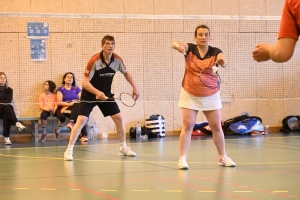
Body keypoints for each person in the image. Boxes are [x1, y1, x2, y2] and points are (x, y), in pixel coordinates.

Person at [64, 35, 139, 161]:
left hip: (106, 95)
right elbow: (85, 82)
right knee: (81, 120)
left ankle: (123, 147)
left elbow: (126, 73)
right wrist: (97, 92)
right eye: (108, 44)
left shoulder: (117, 60)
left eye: (112, 44)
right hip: (89, 94)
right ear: (102, 46)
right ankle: (69, 150)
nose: (110, 46)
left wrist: (134, 87)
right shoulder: (94, 61)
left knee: (119, 118)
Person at [172, 25, 236, 170]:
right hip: (189, 92)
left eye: (206, 34)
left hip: (211, 94)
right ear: (195, 37)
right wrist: (178, 46)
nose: (203, 37)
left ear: (209, 36)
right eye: (200, 34)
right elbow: (175, 43)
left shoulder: (215, 51)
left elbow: (222, 59)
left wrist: (223, 62)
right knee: (187, 125)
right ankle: (182, 159)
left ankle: (222, 157)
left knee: (216, 127)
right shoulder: (190, 48)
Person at [56, 72, 88, 142]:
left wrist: (75, 102)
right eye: (68, 77)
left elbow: (81, 99)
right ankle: (83, 135)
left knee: (80, 111)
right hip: (66, 108)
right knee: (81, 114)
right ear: (64, 79)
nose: (70, 78)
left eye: (71, 77)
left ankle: (71, 122)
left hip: (76, 107)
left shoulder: (76, 89)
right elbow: (59, 102)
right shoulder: (61, 89)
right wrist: (70, 104)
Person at [0, 72, 25, 145]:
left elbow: (8, 100)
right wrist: (3, 102)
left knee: (6, 115)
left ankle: (6, 137)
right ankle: (16, 123)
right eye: (1, 78)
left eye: (4, 78)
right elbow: (6, 101)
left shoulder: (9, 90)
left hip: (4, 110)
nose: (3, 79)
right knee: (8, 106)